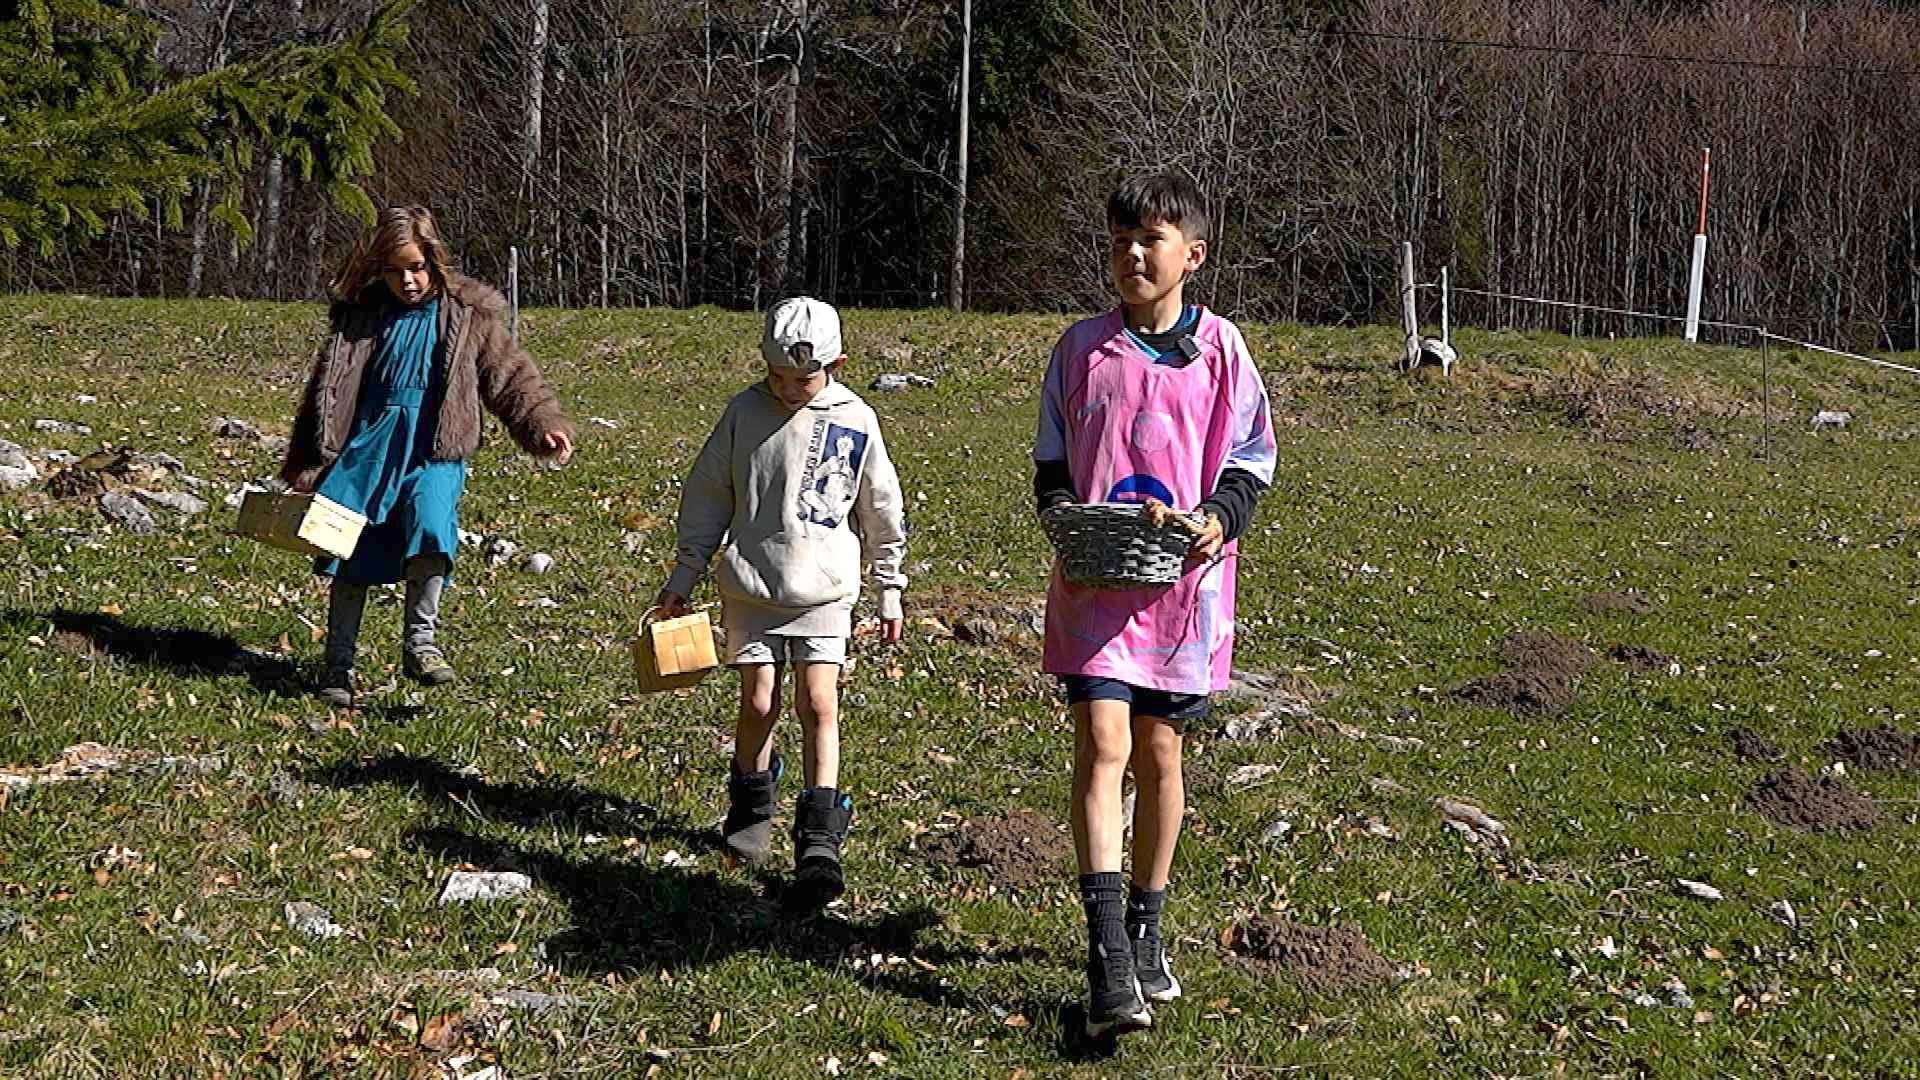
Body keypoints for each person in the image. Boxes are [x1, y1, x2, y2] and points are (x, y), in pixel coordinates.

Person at [1033, 173, 1276, 1037]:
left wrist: (1217, 518)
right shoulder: (1080, 350)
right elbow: (1053, 466)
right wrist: (1064, 516)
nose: (1134, 255)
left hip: (1184, 594)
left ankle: (1145, 925)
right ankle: (1106, 960)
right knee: (1102, 744)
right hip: (1097, 587)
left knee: (1160, 756)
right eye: (1121, 240)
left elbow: (1251, 457)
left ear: (1193, 256)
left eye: (1153, 240)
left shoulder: (1223, 352)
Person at [657, 296, 907, 907]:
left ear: (837, 364)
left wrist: (890, 587)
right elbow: (709, 492)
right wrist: (685, 572)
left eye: (802, 379)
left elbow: (879, 505)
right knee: (761, 698)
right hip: (752, 585)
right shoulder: (744, 412)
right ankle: (750, 805)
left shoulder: (857, 420)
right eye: (776, 376)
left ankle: (820, 832)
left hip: (824, 588)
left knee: (819, 702)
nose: (788, 389)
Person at [280, 205, 575, 708]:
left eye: (417, 267)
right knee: (346, 550)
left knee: (433, 525)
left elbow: (510, 376)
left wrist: (542, 425)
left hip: (436, 446)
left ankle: (421, 640)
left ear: (434, 261)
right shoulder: (361, 316)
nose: (408, 281)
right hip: (367, 448)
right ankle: (338, 666)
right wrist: (308, 461)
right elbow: (326, 392)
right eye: (395, 271)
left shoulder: (468, 314)